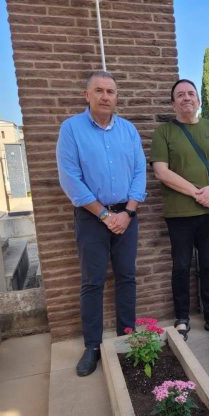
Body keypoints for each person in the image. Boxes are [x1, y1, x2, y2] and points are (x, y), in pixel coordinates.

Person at [56, 71, 147, 376]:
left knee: (127, 277)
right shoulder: (71, 130)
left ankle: (126, 337)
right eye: (99, 91)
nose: (106, 96)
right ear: (87, 95)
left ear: (116, 96)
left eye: (111, 91)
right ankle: (92, 346)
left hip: (127, 216)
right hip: (92, 217)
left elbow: (139, 173)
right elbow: (70, 179)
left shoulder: (129, 130)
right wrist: (106, 216)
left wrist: (128, 213)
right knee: (92, 282)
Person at [150, 79, 209, 337]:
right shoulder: (163, 132)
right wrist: (198, 193)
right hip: (180, 213)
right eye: (180, 94)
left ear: (198, 100)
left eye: (190, 93)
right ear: (173, 102)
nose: (186, 97)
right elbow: (161, 172)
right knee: (181, 265)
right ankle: (182, 317)